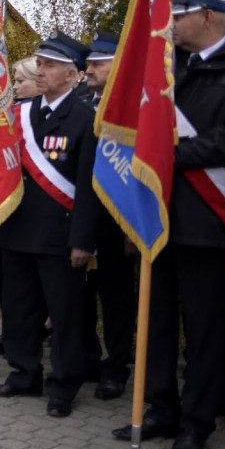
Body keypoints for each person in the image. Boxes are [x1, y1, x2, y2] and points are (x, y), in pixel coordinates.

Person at [112, 0, 225, 449]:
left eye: (179, 14)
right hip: (159, 213)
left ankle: (196, 422)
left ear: (208, 17)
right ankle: (160, 408)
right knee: (156, 320)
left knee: (205, 330)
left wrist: (175, 153)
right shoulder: (168, 67)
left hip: (210, 219)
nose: (170, 24)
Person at [0, 31, 99, 419]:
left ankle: (64, 385)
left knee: (64, 315)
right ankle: (24, 373)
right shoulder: (23, 113)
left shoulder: (85, 119)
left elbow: (88, 187)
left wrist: (83, 240)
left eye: (51, 65)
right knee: (20, 309)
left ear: (72, 74)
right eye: (41, 64)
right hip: (17, 229)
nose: (43, 70)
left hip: (60, 235)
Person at [80, 30, 137, 400]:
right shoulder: (81, 102)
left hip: (119, 224)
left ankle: (117, 369)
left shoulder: (133, 108)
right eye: (89, 62)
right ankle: (87, 361)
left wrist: (134, 227)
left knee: (116, 302)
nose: (89, 69)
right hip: (83, 221)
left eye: (98, 63)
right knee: (81, 299)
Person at [0, 55, 43, 357]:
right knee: (6, 276)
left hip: (36, 214)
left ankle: (35, 333)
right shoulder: (7, 115)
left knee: (32, 284)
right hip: (3, 209)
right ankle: (11, 332)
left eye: (22, 81)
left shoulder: (45, 117)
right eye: (15, 80)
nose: (16, 87)